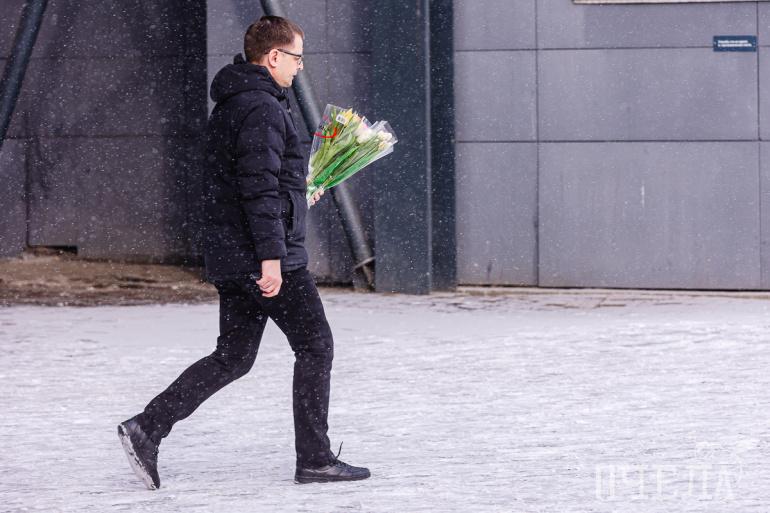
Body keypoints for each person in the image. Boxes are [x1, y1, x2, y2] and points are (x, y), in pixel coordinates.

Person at [117, 15, 370, 489]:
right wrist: (271, 260)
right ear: (273, 56)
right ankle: (314, 459)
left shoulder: (236, 102)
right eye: (296, 57)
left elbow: (248, 184)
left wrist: (298, 194)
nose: (299, 66)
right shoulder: (262, 108)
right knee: (315, 346)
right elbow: (256, 190)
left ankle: (147, 427)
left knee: (233, 357)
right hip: (265, 257)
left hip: (234, 252)